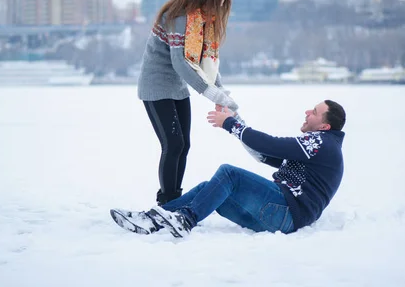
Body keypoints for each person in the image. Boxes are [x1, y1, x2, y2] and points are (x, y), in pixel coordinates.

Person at [110, 100, 346, 237]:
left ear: (325, 125)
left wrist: (230, 124)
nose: (307, 112)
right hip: (282, 218)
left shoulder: (320, 143)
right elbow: (263, 155)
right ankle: (153, 219)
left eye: (314, 112)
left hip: (286, 213)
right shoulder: (322, 147)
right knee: (210, 189)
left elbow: (269, 144)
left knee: (228, 174)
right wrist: (235, 121)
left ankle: (185, 220)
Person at [137, 0, 239, 207]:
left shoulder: (204, 20)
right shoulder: (179, 17)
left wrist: (221, 93)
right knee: (173, 144)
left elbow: (207, 62)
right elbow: (180, 62)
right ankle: (168, 202)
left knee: (184, 145)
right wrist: (210, 92)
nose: (222, 3)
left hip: (177, 88)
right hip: (156, 86)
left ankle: (175, 199)